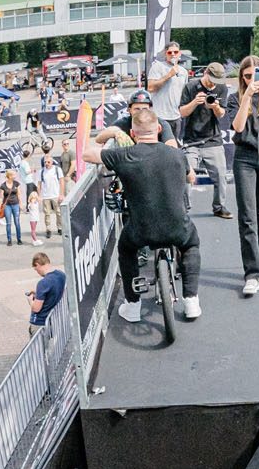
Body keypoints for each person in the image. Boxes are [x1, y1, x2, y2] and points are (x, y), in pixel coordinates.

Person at [84, 107, 202, 323]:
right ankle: (191, 300)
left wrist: (114, 134)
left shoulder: (124, 155)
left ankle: (133, 305)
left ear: (133, 133)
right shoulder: (176, 154)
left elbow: (87, 154)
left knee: (126, 249)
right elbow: (191, 178)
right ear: (158, 129)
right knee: (191, 245)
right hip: (177, 226)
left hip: (141, 230)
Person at [228, 55, 259, 296]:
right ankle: (252, 273)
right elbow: (237, 127)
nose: (252, 79)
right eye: (247, 76)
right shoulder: (234, 98)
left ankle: (257, 266)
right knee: (247, 216)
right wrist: (247, 95)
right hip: (244, 158)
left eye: (256, 74)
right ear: (241, 77)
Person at [180, 63, 233, 219]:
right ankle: (184, 209)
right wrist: (195, 102)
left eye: (216, 81)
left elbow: (222, 114)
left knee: (221, 175)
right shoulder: (190, 87)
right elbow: (182, 112)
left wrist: (215, 107)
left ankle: (219, 207)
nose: (213, 84)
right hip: (191, 140)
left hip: (213, 139)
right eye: (211, 80)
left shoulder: (221, 88)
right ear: (205, 73)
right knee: (186, 175)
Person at [147, 40, 189, 142]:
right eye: (170, 52)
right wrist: (169, 75)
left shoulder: (183, 72)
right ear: (166, 54)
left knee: (174, 145)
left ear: (179, 54)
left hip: (176, 116)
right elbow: (151, 87)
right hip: (160, 115)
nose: (173, 55)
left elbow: (184, 94)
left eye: (176, 52)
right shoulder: (157, 67)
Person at [28, 251, 66, 328]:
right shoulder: (61, 275)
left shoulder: (43, 283)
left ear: (37, 265)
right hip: (54, 320)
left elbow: (36, 308)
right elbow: (58, 293)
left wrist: (30, 300)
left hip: (40, 323)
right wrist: (38, 294)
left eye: (36, 269)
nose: (37, 272)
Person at [0, 170, 25, 246]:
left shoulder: (17, 184)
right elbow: (0, 197)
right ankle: (9, 240)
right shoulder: (3, 186)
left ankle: (19, 239)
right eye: (14, 175)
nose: (15, 175)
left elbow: (19, 194)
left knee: (17, 222)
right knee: (8, 223)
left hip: (16, 204)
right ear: (9, 176)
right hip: (7, 205)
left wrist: (21, 204)